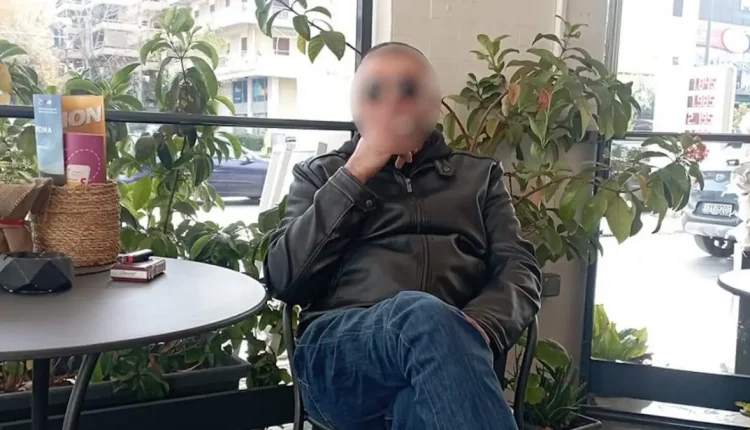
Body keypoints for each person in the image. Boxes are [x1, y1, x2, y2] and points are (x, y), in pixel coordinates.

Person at [264, 42, 542, 430]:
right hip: (341, 356)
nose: (392, 102)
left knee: (418, 403)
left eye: (408, 89)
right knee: (422, 315)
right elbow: (284, 280)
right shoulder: (321, 175)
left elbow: (519, 269)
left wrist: (478, 326)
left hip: (446, 358)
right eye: (375, 90)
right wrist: (354, 176)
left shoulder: (479, 178)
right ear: (356, 104)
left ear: (435, 104)